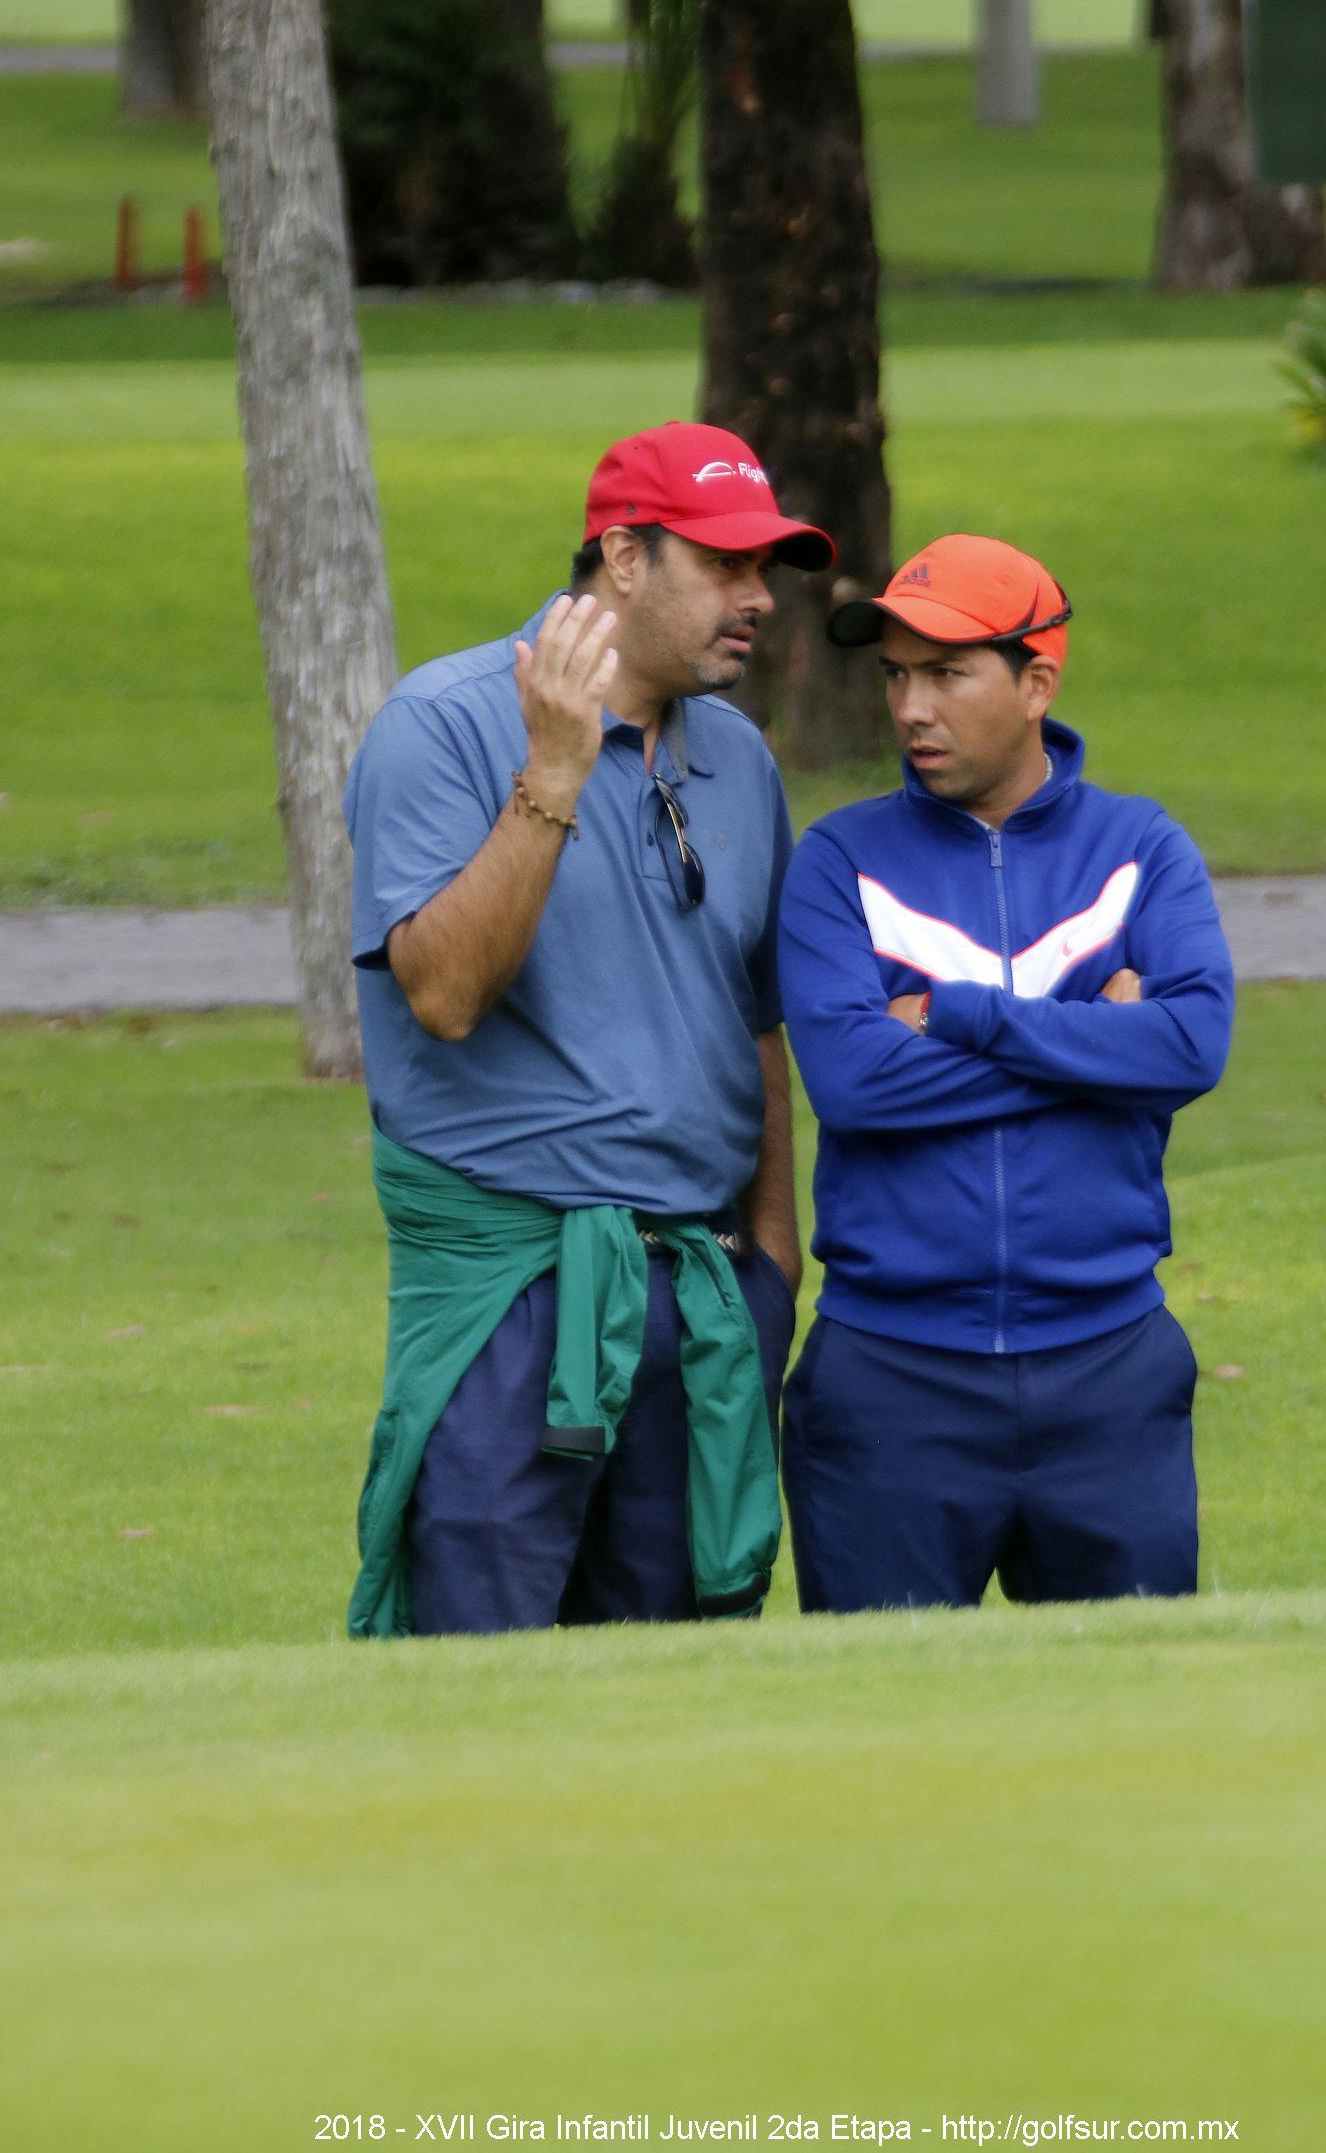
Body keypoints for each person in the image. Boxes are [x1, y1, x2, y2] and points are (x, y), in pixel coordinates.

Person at [343, 421, 834, 1638]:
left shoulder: (738, 759)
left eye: (763, 569)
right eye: (723, 565)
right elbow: (444, 995)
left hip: (697, 1291)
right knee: (483, 1669)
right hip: (513, 1293)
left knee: (672, 1677)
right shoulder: (445, 723)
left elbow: (755, 1019)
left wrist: (774, 1262)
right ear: (622, 557)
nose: (757, 598)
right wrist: (554, 774)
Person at [777, 534, 1234, 1614]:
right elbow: (852, 1082)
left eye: (946, 673)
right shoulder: (838, 861)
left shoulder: (1143, 849)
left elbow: (1189, 1046)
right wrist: (1097, 1045)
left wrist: (960, 1018)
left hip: (1108, 1371)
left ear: (1037, 682)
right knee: (882, 1714)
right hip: (889, 1380)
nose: (910, 709)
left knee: (1131, 1704)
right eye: (896, 676)